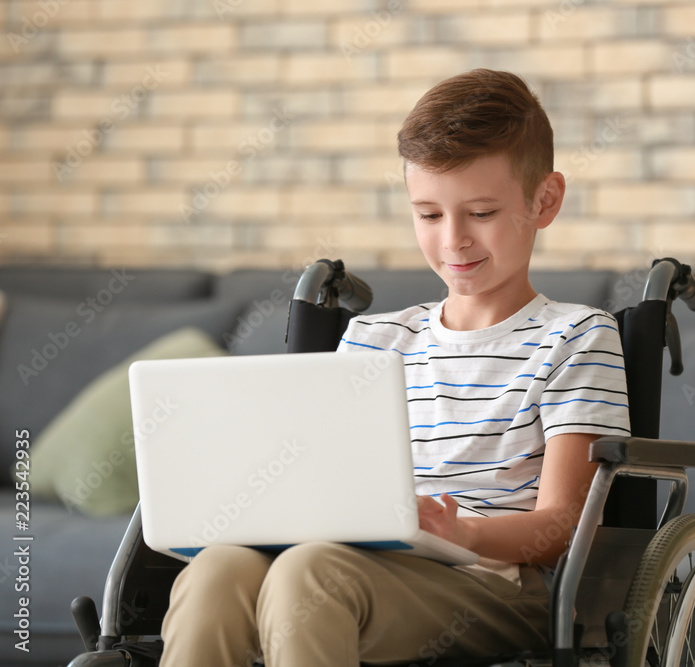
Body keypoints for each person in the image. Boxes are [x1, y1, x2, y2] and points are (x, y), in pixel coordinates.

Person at [159, 68, 631, 667]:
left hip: (497, 582)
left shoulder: (577, 337)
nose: (453, 240)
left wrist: (465, 534)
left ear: (546, 200)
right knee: (219, 567)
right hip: (360, 558)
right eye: (429, 216)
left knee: (311, 572)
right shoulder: (374, 338)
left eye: (481, 212)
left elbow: (562, 523)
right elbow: (324, 488)